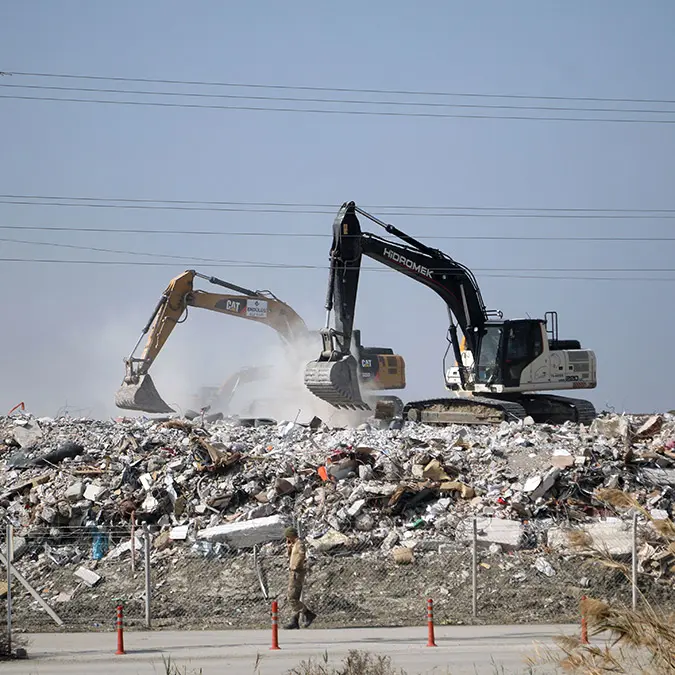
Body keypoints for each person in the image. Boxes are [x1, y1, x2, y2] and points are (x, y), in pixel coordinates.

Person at [283, 526, 317, 629]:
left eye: (288, 537)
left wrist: (296, 566)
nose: (287, 539)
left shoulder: (300, 544)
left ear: (291, 536)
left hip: (296, 573)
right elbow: (291, 557)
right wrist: (289, 548)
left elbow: (302, 555)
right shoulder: (294, 545)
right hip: (293, 572)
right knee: (295, 597)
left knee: (291, 597)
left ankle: (308, 614)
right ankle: (294, 621)